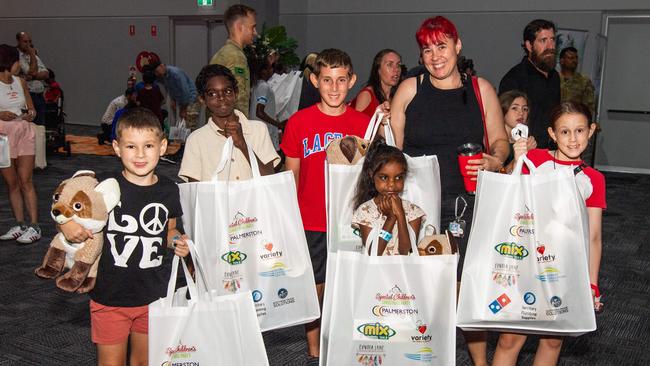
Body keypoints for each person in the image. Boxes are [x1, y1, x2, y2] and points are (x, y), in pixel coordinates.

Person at [390, 16, 509, 366]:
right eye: (427, 49)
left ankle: (479, 361)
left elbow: (501, 141)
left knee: (465, 288)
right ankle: (418, 356)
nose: (434, 56)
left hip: (466, 205)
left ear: (458, 46)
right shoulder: (410, 89)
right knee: (419, 289)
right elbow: (392, 151)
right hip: (416, 206)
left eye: (442, 46)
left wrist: (493, 159)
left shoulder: (480, 89)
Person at [58, 107, 191, 366]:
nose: (140, 155)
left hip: (154, 294)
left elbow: (169, 229)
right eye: (131, 146)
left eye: (148, 146)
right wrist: (67, 227)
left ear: (163, 147)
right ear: (117, 148)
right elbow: (69, 214)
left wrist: (176, 241)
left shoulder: (169, 190)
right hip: (110, 295)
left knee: (144, 362)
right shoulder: (104, 188)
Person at [493, 101, 605, 366]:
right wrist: (516, 158)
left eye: (579, 130)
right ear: (552, 134)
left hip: (564, 267)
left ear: (590, 131)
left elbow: (594, 236)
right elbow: (505, 192)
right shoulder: (535, 159)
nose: (573, 138)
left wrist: (592, 284)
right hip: (522, 260)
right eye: (564, 132)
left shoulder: (593, 179)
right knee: (510, 338)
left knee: (553, 340)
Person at [280, 48, 370, 364]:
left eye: (341, 80)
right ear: (315, 80)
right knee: (315, 288)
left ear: (352, 81)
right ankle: (314, 349)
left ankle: (345, 343)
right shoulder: (298, 122)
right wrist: (287, 217)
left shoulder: (363, 124)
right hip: (311, 219)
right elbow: (290, 174)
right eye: (327, 80)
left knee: (347, 286)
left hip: (348, 220)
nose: (334, 88)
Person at [179, 64, 279, 182]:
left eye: (227, 91)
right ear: (202, 99)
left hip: (253, 201)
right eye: (212, 93)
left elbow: (270, 178)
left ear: (235, 94)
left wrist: (243, 145)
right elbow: (196, 193)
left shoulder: (258, 130)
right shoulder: (196, 140)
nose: (221, 97)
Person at [351, 138, 424, 255]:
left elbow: (407, 252)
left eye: (398, 177)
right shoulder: (365, 211)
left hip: (404, 273)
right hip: (375, 273)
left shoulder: (413, 212)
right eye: (384, 177)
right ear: (371, 174)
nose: (391, 184)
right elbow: (374, 253)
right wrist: (390, 218)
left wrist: (400, 215)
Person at [0, 44, 40, 244]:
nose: (19, 65)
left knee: (26, 180)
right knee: (12, 182)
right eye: (17, 61)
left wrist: (29, 114)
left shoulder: (20, 82)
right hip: (2, 136)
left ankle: (34, 226)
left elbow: (32, 110)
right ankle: (19, 224)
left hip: (23, 132)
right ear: (10, 62)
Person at [499, 19, 560, 149]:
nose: (551, 47)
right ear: (529, 45)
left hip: (553, 151)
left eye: (552, 40)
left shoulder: (554, 76)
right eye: (543, 41)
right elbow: (504, 122)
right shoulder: (514, 78)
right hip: (527, 153)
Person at [210, 4, 257, 118]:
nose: (255, 32)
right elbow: (238, 99)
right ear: (239, 27)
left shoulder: (222, 53)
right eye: (252, 27)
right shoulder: (236, 57)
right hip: (232, 128)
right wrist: (242, 128)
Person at [350, 49, 402, 118]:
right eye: (389, 65)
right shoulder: (366, 95)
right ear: (378, 70)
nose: (396, 69)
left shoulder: (398, 96)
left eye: (398, 65)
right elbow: (355, 124)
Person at [150, 61, 200, 130]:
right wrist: (173, 99)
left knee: (190, 126)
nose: (157, 74)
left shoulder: (175, 73)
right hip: (182, 102)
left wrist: (183, 108)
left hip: (190, 100)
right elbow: (170, 88)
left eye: (157, 71)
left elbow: (185, 90)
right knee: (184, 125)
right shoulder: (165, 75)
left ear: (161, 66)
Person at [250, 59, 284, 152]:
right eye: (270, 68)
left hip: (258, 130)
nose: (272, 70)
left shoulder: (256, 86)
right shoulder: (264, 87)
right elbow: (259, 112)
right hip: (264, 130)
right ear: (264, 71)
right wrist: (278, 124)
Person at [498, 90, 537, 173]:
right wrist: (520, 155)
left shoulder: (527, 140)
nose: (521, 113)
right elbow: (500, 175)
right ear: (502, 110)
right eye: (514, 108)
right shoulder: (495, 143)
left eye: (525, 109)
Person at [15, 32, 49, 126]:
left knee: (40, 126)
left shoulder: (33, 54)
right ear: (18, 41)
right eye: (25, 41)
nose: (28, 44)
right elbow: (30, 71)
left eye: (30, 41)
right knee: (28, 126)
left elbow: (46, 73)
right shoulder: (17, 55)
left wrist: (33, 76)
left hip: (39, 95)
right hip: (28, 95)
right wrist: (32, 54)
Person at [559, 47, 595, 116]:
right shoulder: (554, 79)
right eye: (571, 58)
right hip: (556, 118)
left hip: (575, 119)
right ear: (562, 61)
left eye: (576, 58)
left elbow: (589, 107)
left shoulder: (584, 81)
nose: (574, 61)